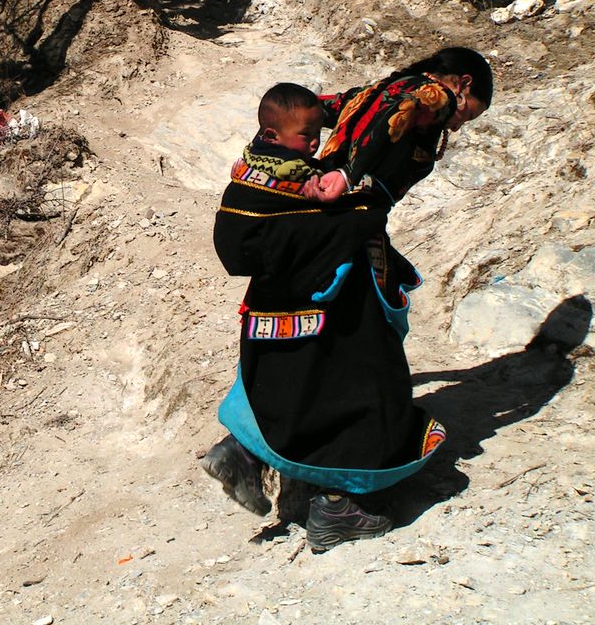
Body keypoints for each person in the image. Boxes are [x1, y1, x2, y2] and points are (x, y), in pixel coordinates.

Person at [202, 47, 493, 552]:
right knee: (359, 367)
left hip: (306, 236)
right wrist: (347, 176)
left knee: (297, 354)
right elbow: (400, 122)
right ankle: (340, 505)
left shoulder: (374, 91)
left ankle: (243, 451)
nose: (459, 121)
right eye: (469, 110)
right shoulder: (430, 97)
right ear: (462, 84)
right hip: (342, 238)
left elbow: (315, 105)